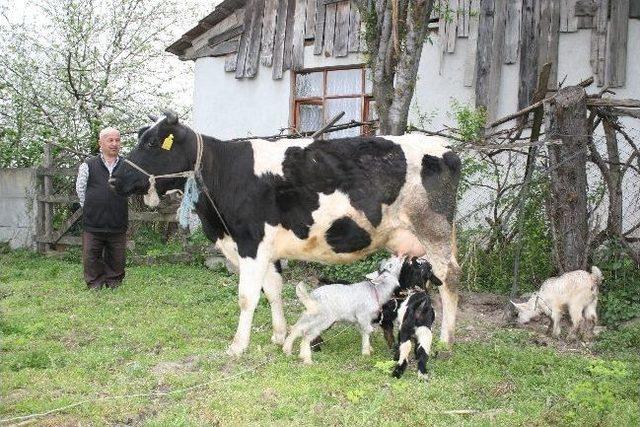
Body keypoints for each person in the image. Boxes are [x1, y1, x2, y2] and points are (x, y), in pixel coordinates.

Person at [75, 127, 129, 289]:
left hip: (118, 220)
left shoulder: (126, 165)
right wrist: (91, 207)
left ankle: (114, 282)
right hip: (93, 222)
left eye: (117, 140)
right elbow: (80, 189)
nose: (114, 144)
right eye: (110, 140)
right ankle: (94, 283)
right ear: (101, 143)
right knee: (91, 256)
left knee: (117, 256)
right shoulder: (88, 165)